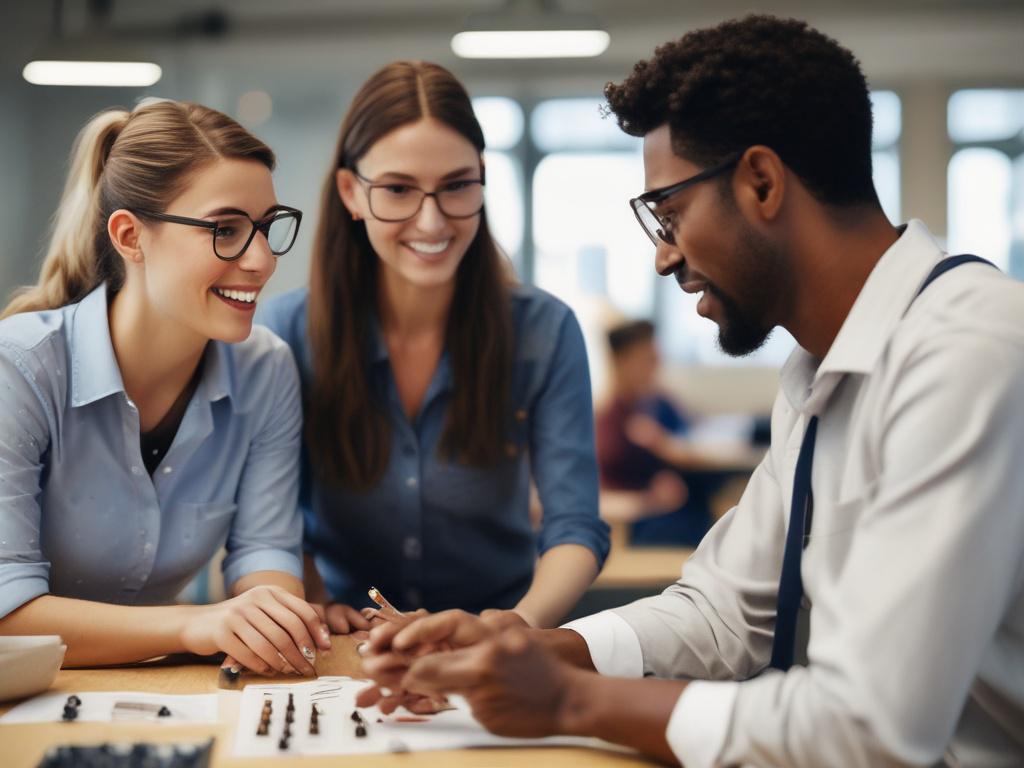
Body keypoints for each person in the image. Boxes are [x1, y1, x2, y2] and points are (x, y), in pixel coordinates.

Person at [356, 16, 1024, 767]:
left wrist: (572, 700)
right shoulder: (821, 371)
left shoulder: (968, 351)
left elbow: (866, 726)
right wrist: (537, 647)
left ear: (762, 182)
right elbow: (725, 614)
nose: (664, 257)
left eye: (668, 213)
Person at [257, 61, 609, 632]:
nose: (432, 220)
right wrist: (315, 599)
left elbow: (576, 526)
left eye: (456, 186)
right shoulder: (284, 333)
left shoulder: (545, 332)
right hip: (345, 643)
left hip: (497, 636)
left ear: (482, 180)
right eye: (397, 189)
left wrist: (515, 625)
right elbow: (269, 527)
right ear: (351, 191)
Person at [0, 100, 331, 676]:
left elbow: (264, 554)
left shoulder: (265, 369)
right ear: (130, 236)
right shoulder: (20, 369)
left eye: (267, 228)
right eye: (225, 230)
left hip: (160, 690)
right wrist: (196, 622)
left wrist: (273, 622)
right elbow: (8, 615)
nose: (260, 261)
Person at [596, 318, 756, 547]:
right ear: (620, 362)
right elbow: (600, 497)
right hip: (637, 523)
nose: (655, 367)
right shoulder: (609, 420)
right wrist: (650, 500)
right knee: (720, 531)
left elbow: (688, 430)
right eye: (647, 360)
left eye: (656, 359)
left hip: (665, 508)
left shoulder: (651, 404)